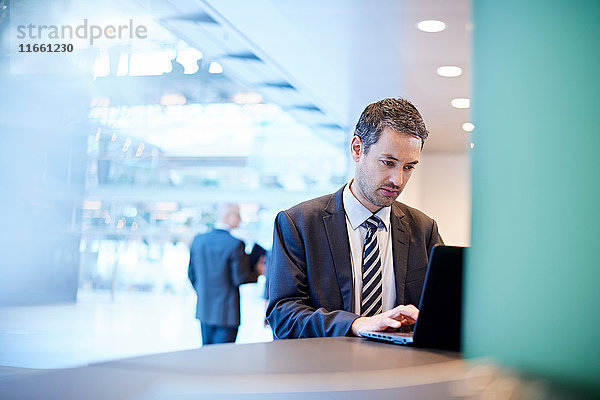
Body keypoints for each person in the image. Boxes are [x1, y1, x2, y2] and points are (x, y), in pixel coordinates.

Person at [267, 98, 444, 339]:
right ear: (357, 149)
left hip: (401, 371)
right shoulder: (298, 224)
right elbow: (283, 315)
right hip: (326, 370)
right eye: (388, 162)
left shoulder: (423, 229)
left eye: (408, 167)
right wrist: (355, 324)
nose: (397, 180)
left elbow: (445, 307)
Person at [188, 203, 263, 345]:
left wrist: (204, 293)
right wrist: (257, 272)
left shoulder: (198, 240)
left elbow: (191, 274)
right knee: (223, 359)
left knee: (206, 354)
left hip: (204, 310)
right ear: (229, 216)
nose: (241, 220)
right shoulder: (235, 244)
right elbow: (240, 277)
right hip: (227, 313)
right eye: (238, 215)